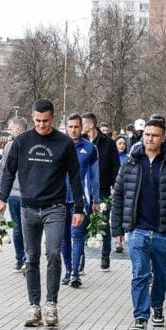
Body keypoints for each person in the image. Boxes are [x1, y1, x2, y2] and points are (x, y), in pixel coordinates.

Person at [0, 99, 84, 328]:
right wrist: (2, 197)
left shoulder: (64, 143)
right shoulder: (22, 141)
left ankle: (51, 304)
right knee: (31, 257)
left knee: (54, 253)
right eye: (37, 121)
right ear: (32, 117)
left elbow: (75, 176)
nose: (41, 125)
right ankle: (34, 306)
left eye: (46, 121)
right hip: (28, 207)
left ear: (53, 118)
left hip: (55, 207)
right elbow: (8, 170)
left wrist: (79, 208)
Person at [111, 119, 166, 330]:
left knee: (161, 275)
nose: (149, 138)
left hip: (163, 231)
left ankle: (157, 306)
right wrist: (116, 229)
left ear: (162, 138)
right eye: (147, 134)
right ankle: (140, 317)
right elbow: (119, 196)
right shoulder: (130, 163)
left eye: (154, 135)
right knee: (140, 274)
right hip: (137, 229)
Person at [61, 113, 99, 287]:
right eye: (70, 127)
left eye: (77, 126)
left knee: (77, 237)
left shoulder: (90, 148)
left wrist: (96, 199)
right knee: (64, 238)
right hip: (60, 199)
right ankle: (68, 270)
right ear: (66, 128)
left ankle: (76, 273)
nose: (73, 130)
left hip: (80, 201)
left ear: (81, 127)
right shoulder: (59, 146)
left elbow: (94, 176)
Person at [81, 112, 117, 270]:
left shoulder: (108, 142)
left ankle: (105, 255)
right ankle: (79, 261)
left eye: (81, 124)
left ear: (89, 125)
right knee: (82, 223)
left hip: (102, 189)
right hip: (83, 190)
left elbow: (115, 166)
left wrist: (115, 186)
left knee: (103, 223)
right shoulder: (80, 143)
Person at [0, 117, 28, 273]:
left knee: (26, 228)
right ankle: (21, 259)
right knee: (17, 228)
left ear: (18, 129)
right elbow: (3, 169)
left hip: (28, 195)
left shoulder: (31, 144)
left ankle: (26, 259)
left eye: (10, 128)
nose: (9, 131)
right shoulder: (8, 146)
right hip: (13, 194)